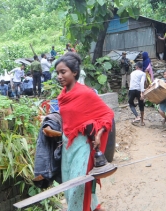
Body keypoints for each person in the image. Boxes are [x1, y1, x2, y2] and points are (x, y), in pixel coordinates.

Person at [54, 52, 113, 211]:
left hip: (82, 146)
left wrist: (99, 134)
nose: (59, 76)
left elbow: (107, 114)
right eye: (57, 73)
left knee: (78, 187)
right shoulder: (62, 95)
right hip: (68, 146)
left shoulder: (85, 93)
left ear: (74, 72)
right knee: (69, 186)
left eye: (63, 72)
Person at [129, 61, 146, 126]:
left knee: (130, 103)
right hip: (139, 90)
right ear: (141, 67)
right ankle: (142, 121)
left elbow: (131, 82)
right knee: (141, 104)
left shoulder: (132, 73)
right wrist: (142, 92)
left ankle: (137, 116)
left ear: (136, 67)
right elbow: (142, 83)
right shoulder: (143, 73)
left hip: (132, 89)